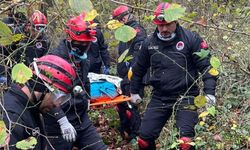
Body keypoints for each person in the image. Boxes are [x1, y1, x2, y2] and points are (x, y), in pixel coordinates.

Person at [129, 2, 218, 150]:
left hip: (187, 96)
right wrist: (134, 91)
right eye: (160, 25)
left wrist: (210, 93)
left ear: (176, 21)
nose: (164, 29)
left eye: (168, 25)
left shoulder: (191, 39)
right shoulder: (149, 43)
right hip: (160, 97)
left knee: (185, 143)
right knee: (143, 141)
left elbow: (207, 66)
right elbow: (138, 69)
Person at [45, 15, 107, 150]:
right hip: (58, 124)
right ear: (69, 38)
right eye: (80, 43)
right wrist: (62, 120)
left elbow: (84, 81)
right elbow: (48, 95)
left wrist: (88, 99)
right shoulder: (55, 60)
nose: (84, 47)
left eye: (87, 44)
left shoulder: (83, 59)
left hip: (81, 120)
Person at [1, 54, 77, 150]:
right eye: (58, 97)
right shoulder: (11, 118)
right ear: (42, 87)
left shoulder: (32, 107)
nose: (57, 104)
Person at [111, 5, 147, 142]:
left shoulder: (137, 30)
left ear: (124, 18)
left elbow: (139, 53)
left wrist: (133, 72)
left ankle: (136, 135)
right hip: (124, 77)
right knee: (122, 105)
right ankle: (125, 132)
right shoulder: (124, 32)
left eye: (118, 20)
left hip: (134, 76)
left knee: (131, 106)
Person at [0, 10, 49, 84]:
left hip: (32, 76)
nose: (39, 33)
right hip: (15, 72)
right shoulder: (17, 34)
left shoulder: (44, 41)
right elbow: (4, 52)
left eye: (43, 29)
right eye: (37, 28)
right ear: (29, 25)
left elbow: (45, 60)